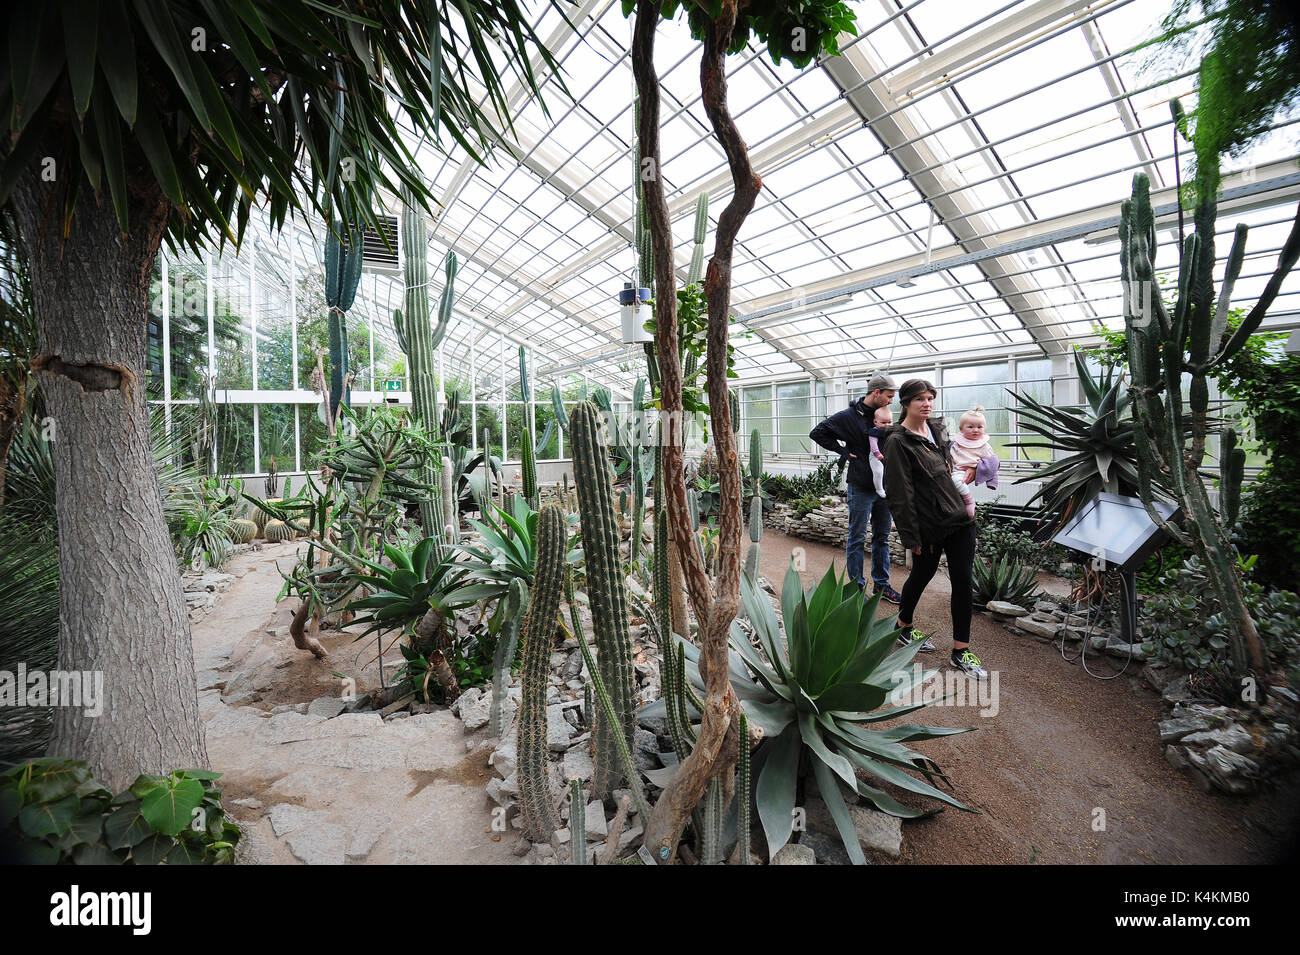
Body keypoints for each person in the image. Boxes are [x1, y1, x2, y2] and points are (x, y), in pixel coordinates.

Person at [881, 379, 989, 678]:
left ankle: (961, 650)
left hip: (960, 519)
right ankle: (903, 625)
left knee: (963, 581)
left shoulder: (937, 430)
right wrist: (911, 536)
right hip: (929, 525)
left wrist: (971, 472)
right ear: (905, 403)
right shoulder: (897, 442)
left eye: (930, 398)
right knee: (921, 574)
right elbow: (899, 493)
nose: (927, 404)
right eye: (920, 399)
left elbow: (952, 466)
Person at [809, 373, 902, 603]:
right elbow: (817, 433)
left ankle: (882, 586)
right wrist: (842, 451)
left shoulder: (886, 415)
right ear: (876, 392)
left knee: (882, 537)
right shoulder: (848, 417)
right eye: (889, 396)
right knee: (857, 537)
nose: (892, 401)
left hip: (885, 487)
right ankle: (856, 588)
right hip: (860, 485)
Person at [949, 406, 999, 519]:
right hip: (952, 468)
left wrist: (992, 481)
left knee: (957, 482)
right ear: (961, 429)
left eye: (979, 427)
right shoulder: (956, 442)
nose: (975, 430)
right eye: (970, 427)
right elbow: (949, 450)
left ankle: (969, 502)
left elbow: (992, 463)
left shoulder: (983, 445)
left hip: (963, 471)